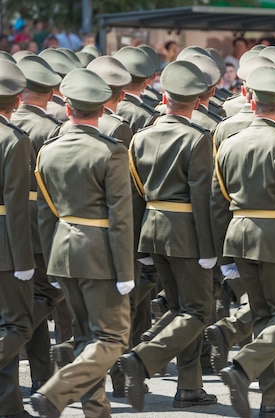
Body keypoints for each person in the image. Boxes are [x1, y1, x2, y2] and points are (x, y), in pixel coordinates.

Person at [31, 68, 134, 417]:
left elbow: (47, 214)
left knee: (88, 338)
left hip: (63, 251)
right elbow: (121, 216)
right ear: (102, 110)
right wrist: (125, 269)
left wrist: (52, 262)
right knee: (112, 338)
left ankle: (96, 409)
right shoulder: (111, 151)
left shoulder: (49, 150)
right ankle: (56, 391)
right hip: (100, 253)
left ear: (68, 107)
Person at [213, 65, 275, 418]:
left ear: (251, 102)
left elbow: (219, 198)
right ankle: (243, 366)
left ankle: (273, 400)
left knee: (261, 317)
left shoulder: (228, 143)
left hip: (238, 237)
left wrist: (221, 252)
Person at [119, 60, 218, 410]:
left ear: (164, 97)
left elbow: (134, 193)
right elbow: (203, 197)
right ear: (198, 100)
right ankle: (143, 358)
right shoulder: (197, 138)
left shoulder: (141, 136)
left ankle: (189, 386)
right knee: (198, 311)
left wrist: (138, 244)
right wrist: (210, 248)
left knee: (181, 310)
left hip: (153, 230)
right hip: (187, 234)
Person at [11, 54, 63, 396]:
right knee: (47, 294)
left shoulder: (8, 123)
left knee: (21, 302)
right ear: (50, 91)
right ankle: (12, 340)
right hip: (39, 223)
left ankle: (39, 375)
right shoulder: (51, 127)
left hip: (9, 225)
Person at [0, 60, 35, 418]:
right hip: (4, 247)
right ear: (17, 100)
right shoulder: (13, 140)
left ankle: (9, 405)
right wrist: (24, 262)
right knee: (17, 325)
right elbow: (16, 205)